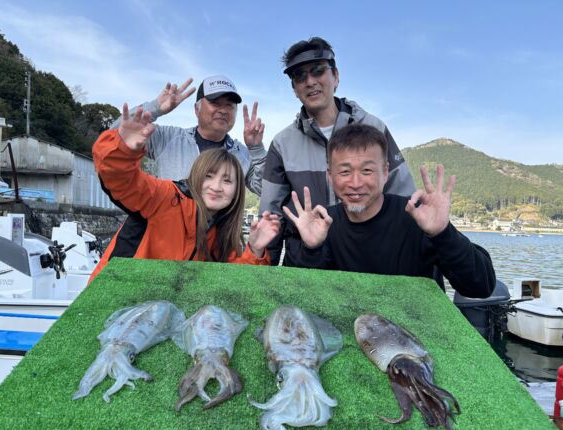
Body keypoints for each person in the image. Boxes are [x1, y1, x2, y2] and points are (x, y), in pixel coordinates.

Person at [282, 123, 496, 299]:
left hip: (416, 330)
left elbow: (481, 287)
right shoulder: (323, 224)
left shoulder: (418, 217)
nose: (355, 183)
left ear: (385, 173)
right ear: (330, 176)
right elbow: (299, 297)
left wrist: (443, 233)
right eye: (345, 172)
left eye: (367, 170)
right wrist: (311, 249)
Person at [258, 37, 416, 266]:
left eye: (318, 71)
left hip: (367, 259)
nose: (310, 81)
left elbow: (404, 198)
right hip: (304, 262)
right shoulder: (282, 143)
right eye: (300, 76)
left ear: (336, 76)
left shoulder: (374, 127)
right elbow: (271, 216)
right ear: (294, 89)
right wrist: (264, 272)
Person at [88, 104, 280, 282]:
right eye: (208, 176)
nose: (216, 187)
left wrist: (255, 250)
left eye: (227, 180)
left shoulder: (223, 229)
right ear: (196, 177)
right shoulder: (163, 196)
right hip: (116, 288)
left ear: (238, 191)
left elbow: (235, 280)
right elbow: (120, 179)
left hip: (163, 301)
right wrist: (124, 150)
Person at [101, 74, 266, 263]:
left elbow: (265, 188)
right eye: (215, 103)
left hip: (208, 252)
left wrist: (256, 149)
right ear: (197, 109)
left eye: (229, 105)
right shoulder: (168, 137)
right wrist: (155, 107)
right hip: (158, 244)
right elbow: (115, 137)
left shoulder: (243, 153)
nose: (222, 110)